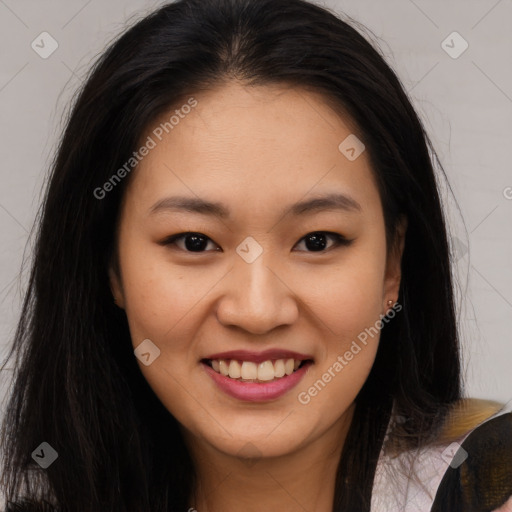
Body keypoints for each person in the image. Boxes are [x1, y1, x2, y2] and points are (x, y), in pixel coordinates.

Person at [0, 0, 510, 511]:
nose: (258, 310)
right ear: (111, 267)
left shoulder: (490, 485)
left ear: (392, 264)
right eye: (195, 242)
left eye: (317, 241)